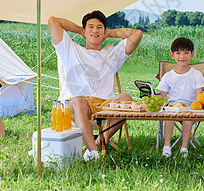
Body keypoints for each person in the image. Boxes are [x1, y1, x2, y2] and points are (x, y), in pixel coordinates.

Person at [48, 10, 143, 161]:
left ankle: (98, 144)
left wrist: (108, 33)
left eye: (99, 27)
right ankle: (93, 152)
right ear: (84, 30)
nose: (95, 30)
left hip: (103, 104)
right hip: (75, 104)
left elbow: (137, 34)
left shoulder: (112, 54)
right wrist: (80, 30)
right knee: (79, 101)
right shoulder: (71, 49)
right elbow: (53, 21)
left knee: (126, 98)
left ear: (104, 32)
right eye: (90, 27)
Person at [157, 37, 204, 158]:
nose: (182, 56)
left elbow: (200, 96)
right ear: (172, 55)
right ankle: (167, 146)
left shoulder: (196, 75)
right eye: (178, 53)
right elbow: (162, 97)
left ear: (192, 54)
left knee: (187, 116)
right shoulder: (168, 76)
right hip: (172, 106)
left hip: (190, 106)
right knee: (169, 114)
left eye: (186, 52)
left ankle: (184, 147)